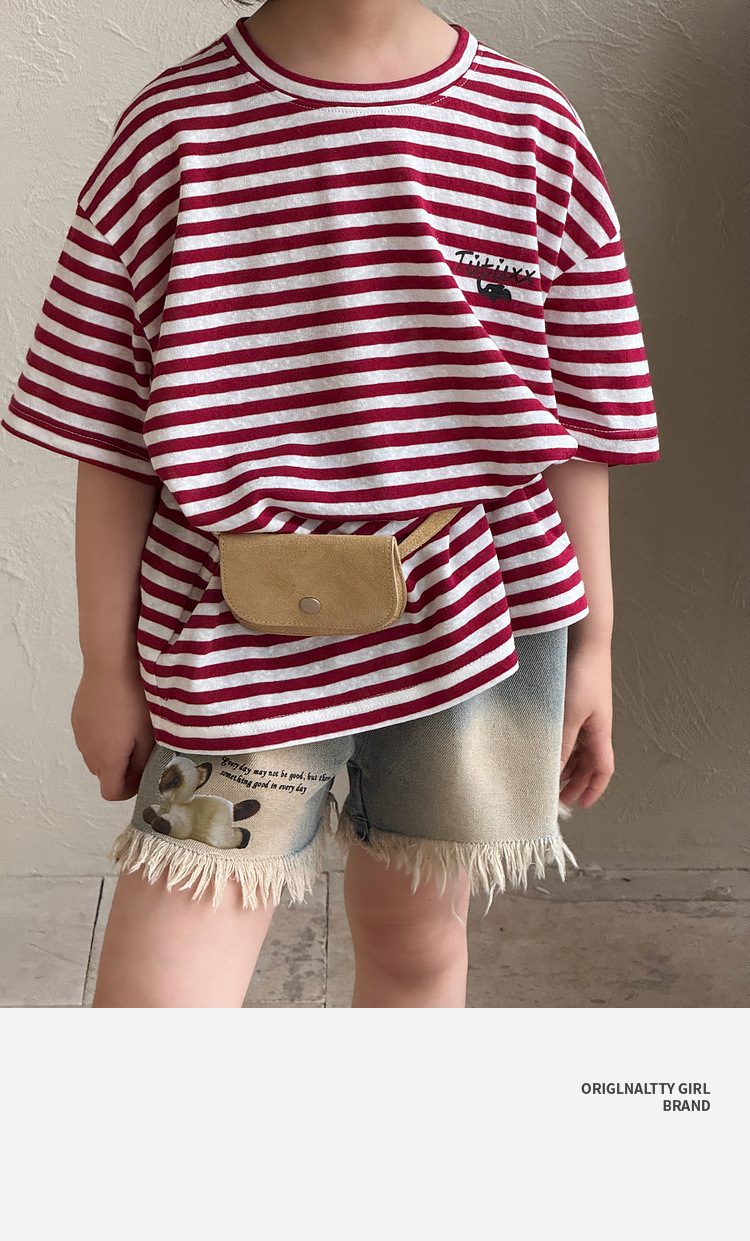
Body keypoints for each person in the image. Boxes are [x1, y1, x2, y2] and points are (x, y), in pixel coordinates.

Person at [3, 0, 660, 1008]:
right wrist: (106, 664)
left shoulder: (533, 129)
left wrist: (596, 644)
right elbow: (110, 430)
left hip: (480, 619)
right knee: (165, 976)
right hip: (231, 623)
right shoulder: (173, 132)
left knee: (418, 940)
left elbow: (580, 424)